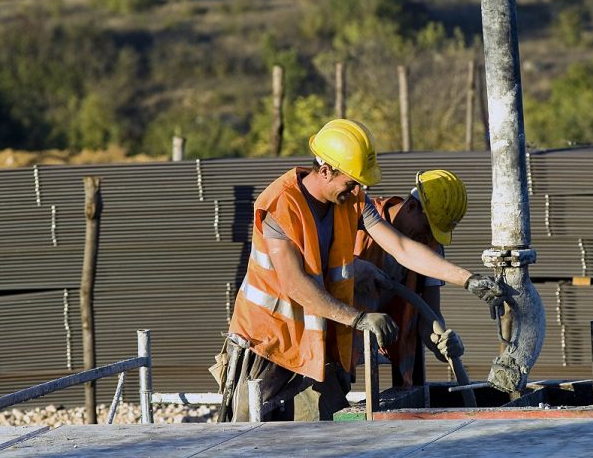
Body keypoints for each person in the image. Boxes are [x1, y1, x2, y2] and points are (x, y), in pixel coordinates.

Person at [217, 118, 506, 422]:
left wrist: (468, 279)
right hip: (268, 343)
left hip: (321, 344)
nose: (357, 190)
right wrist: (359, 318)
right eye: (352, 182)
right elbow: (296, 285)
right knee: (247, 438)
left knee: (327, 437)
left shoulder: (352, 200)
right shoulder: (281, 205)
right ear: (326, 169)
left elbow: (402, 249)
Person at [353, 170, 469, 388]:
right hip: (338, 345)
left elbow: (430, 317)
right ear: (411, 206)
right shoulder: (360, 224)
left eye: (436, 235)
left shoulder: (430, 247)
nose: (428, 239)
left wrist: (441, 343)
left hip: (395, 358)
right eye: (427, 228)